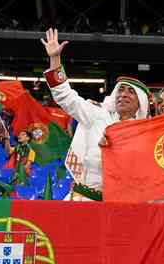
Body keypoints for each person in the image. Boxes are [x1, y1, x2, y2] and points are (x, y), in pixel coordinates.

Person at [41, 28, 150, 201]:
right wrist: (55, 58)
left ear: (141, 103)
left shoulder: (146, 134)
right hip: (83, 200)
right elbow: (65, 96)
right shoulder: (99, 116)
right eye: (120, 90)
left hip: (120, 206)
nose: (123, 94)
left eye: (131, 92)